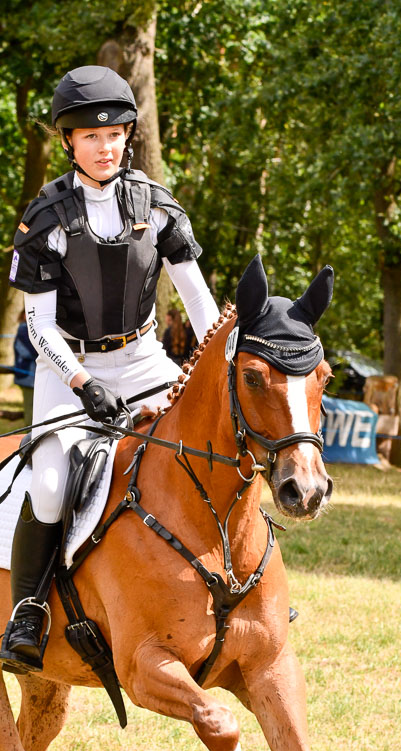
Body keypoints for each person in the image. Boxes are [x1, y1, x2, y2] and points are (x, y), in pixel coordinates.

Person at [0, 65, 219, 672]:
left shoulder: (158, 206)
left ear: (128, 136)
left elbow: (200, 302)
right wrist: (81, 382)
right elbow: (39, 325)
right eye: (91, 137)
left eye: (115, 135)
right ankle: (28, 612)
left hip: (144, 359)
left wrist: (213, 368)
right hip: (67, 367)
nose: (105, 147)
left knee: (214, 444)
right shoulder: (45, 218)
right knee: (49, 484)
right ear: (69, 141)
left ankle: (246, 582)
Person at [13, 310, 37, 425]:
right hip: (27, 375)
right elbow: (30, 351)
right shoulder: (23, 329)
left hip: (35, 376)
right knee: (30, 409)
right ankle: (30, 434)